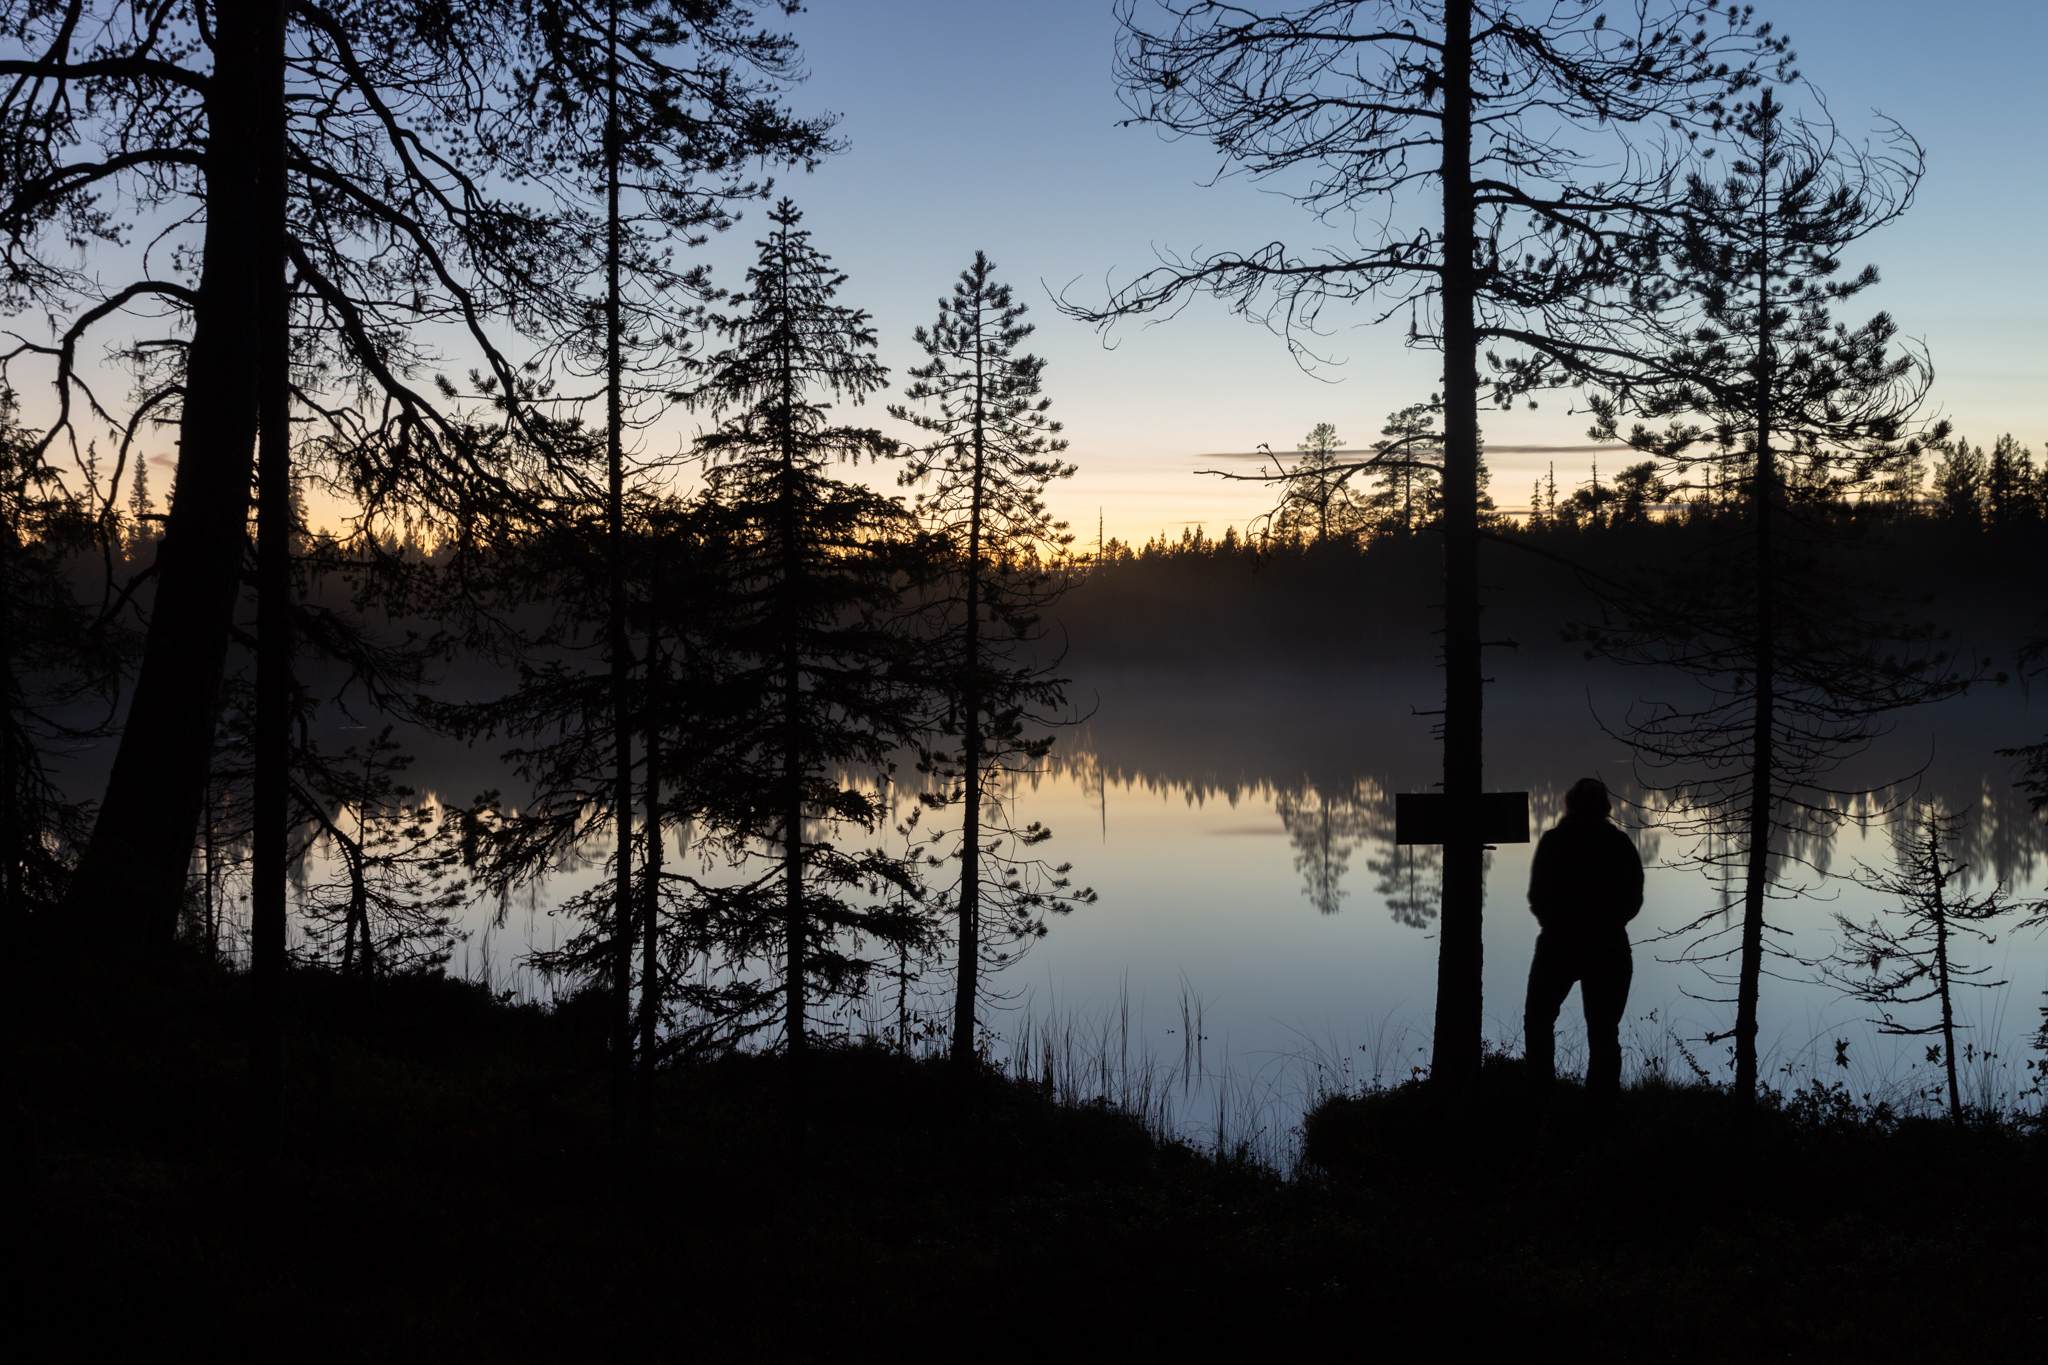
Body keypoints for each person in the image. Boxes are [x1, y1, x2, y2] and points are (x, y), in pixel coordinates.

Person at [1524, 776, 1644, 1104]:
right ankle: (1601, 1108)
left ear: (1569, 804)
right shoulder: (1619, 844)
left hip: (1558, 945)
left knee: (1538, 1019)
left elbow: (1537, 896)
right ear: (1605, 807)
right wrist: (1608, 924)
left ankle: (1540, 1098)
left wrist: (1557, 925)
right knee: (1604, 1031)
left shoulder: (1553, 841)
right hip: (1609, 947)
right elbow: (1633, 899)